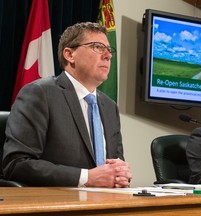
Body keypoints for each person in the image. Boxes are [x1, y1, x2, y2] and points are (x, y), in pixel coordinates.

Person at [3, 22, 132, 187]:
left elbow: (115, 162)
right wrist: (87, 177)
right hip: (56, 204)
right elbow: (16, 164)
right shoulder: (39, 93)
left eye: (109, 49)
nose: (108, 55)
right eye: (98, 47)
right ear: (70, 54)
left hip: (107, 202)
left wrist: (120, 174)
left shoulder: (109, 106)